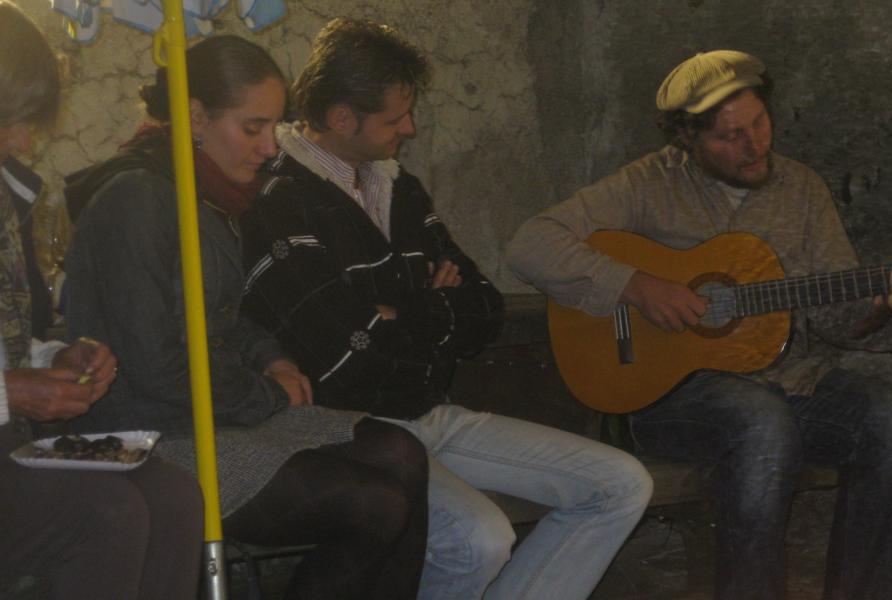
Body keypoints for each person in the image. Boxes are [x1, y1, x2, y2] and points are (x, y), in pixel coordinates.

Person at [239, 18, 653, 600]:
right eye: (395, 119)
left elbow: (484, 309)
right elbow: (346, 355)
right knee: (478, 539)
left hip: (432, 412)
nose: (409, 129)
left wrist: (399, 312)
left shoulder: (398, 186)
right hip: (350, 431)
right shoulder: (278, 199)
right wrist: (430, 305)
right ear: (341, 118)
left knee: (621, 484)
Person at [507, 50, 892, 600]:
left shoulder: (803, 189)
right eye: (729, 136)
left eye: (759, 123)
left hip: (793, 382)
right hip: (675, 394)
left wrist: (886, 306)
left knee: (890, 419)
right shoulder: (646, 185)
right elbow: (530, 245)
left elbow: (837, 319)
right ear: (686, 138)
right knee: (761, 421)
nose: (753, 145)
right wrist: (635, 286)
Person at [63, 34, 428, 599]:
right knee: (374, 503)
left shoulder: (204, 194)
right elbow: (155, 364)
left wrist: (272, 357)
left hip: (211, 411)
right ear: (195, 117)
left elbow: (225, 316)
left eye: (275, 126)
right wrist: (268, 394)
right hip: (147, 431)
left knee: (402, 453)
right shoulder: (136, 199)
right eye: (253, 127)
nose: (269, 146)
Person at [0, 3, 203, 599]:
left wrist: (54, 360)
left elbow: (12, 340)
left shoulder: (8, 202)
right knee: (106, 514)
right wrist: (10, 392)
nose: (24, 141)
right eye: (9, 120)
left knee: (175, 496)